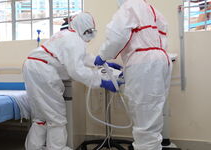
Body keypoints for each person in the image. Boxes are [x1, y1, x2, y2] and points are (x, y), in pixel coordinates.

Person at [23, 12, 121, 150]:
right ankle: (57, 148)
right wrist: (101, 81)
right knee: (56, 118)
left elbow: (83, 57)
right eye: (88, 31)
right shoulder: (74, 39)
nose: (90, 36)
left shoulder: (66, 35)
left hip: (31, 66)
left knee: (41, 117)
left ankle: (33, 147)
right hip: (43, 71)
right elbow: (77, 70)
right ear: (82, 28)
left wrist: (103, 64)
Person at [94, 0, 173, 150]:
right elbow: (157, 35)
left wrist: (103, 55)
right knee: (152, 117)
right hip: (161, 60)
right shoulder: (151, 10)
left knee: (144, 122)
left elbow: (116, 35)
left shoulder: (129, 6)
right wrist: (130, 69)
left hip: (145, 65)